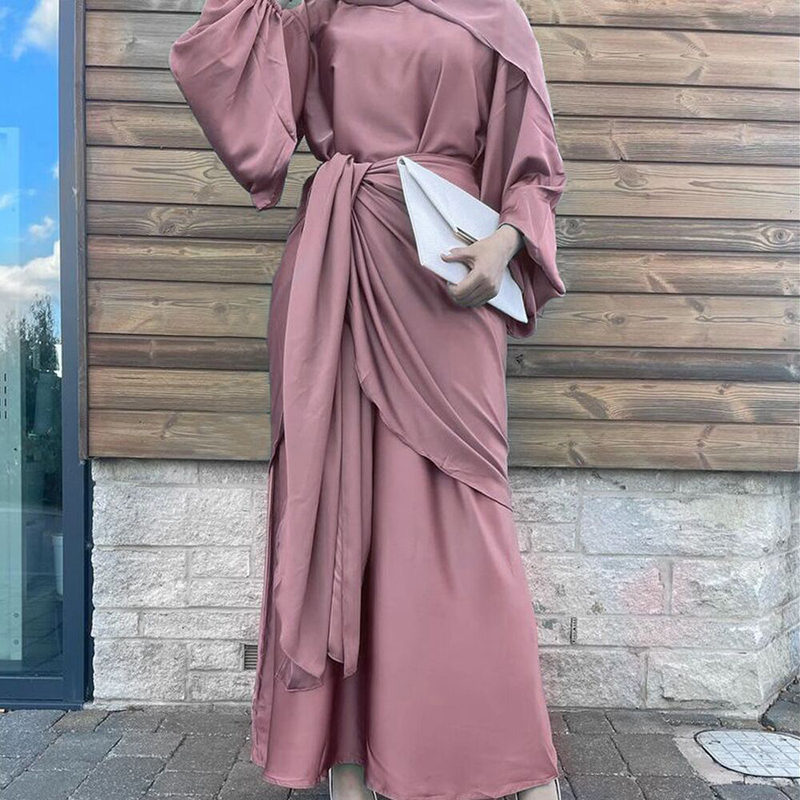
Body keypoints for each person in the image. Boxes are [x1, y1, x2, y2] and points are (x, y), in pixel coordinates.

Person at [168, 1, 567, 799]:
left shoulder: (495, 16)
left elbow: (534, 166)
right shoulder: (322, 10)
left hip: (450, 274)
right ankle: (348, 765)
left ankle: (512, 760)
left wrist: (506, 242)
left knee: (467, 506)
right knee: (334, 502)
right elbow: (240, 101)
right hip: (336, 263)